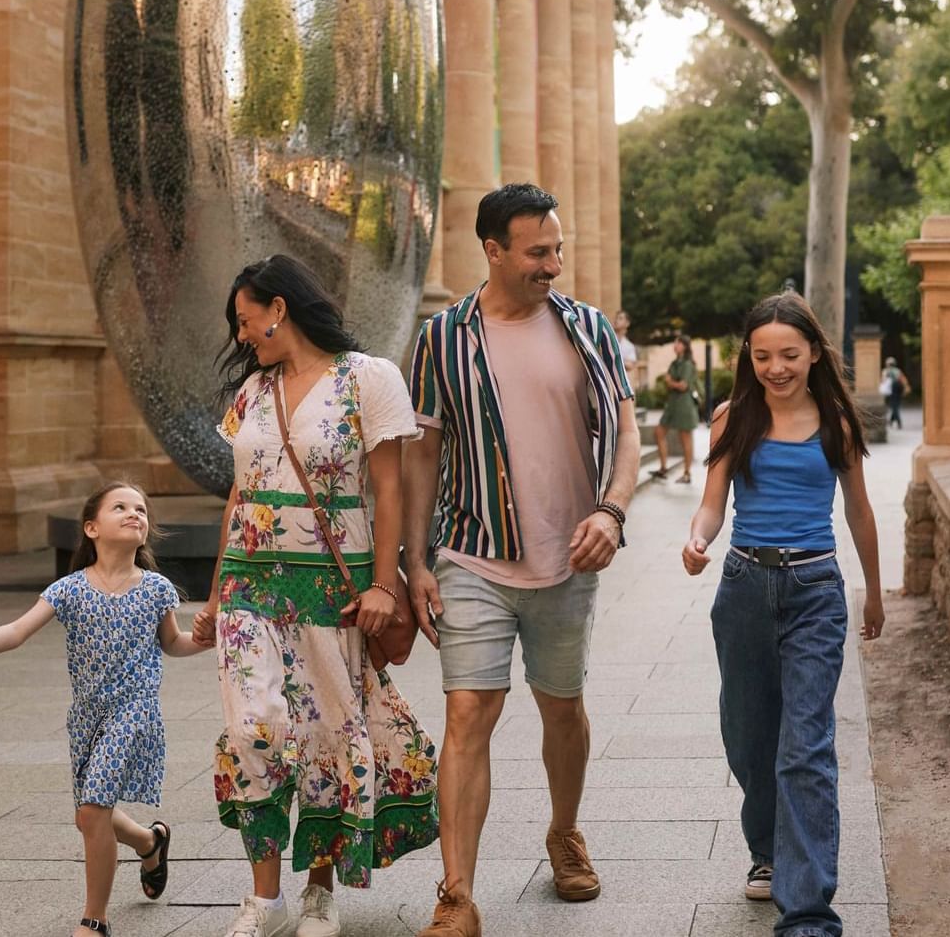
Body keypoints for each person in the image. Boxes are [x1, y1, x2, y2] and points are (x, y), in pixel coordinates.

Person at [403, 183, 640, 937]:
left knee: (561, 706)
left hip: (569, 557)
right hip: (472, 553)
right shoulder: (442, 339)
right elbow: (422, 455)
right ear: (494, 249)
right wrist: (413, 564)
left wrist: (611, 509)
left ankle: (564, 831)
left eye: (558, 249)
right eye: (538, 251)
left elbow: (626, 435)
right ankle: (457, 895)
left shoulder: (589, 329)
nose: (554, 264)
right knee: (469, 711)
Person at [192, 254, 439, 937]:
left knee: (327, 735)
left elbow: (388, 486)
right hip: (251, 582)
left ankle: (319, 893)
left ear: (280, 307)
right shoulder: (249, 396)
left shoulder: (369, 379)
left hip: (332, 586)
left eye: (248, 321)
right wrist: (215, 594)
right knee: (254, 733)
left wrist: (384, 583)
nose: (243, 336)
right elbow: (239, 496)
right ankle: (263, 898)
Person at [681, 292, 884, 937]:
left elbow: (858, 511)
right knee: (748, 735)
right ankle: (768, 851)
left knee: (805, 746)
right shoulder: (732, 418)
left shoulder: (836, 422)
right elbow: (713, 501)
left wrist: (873, 590)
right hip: (743, 587)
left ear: (814, 353)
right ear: (750, 356)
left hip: (815, 589)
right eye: (763, 355)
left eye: (789, 355)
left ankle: (808, 910)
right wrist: (698, 538)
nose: (776, 367)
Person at [0, 483, 204, 937]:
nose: (133, 514)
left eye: (140, 509)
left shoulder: (157, 589)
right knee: (88, 815)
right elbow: (19, 630)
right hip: (87, 714)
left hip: (134, 709)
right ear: (91, 527)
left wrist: (209, 639)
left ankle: (94, 919)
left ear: (145, 531)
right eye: (119, 507)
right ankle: (150, 841)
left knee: (96, 802)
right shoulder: (69, 589)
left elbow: (173, 644)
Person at [649, 334, 701, 484]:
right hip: (672, 404)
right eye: (675, 343)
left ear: (684, 346)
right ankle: (663, 468)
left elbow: (683, 386)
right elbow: (670, 382)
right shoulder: (674, 363)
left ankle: (687, 473)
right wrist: (672, 383)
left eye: (678, 343)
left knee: (685, 439)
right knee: (659, 432)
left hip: (684, 405)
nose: (675, 346)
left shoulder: (688, 364)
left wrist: (671, 382)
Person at [613, 310, 641, 391]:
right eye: (616, 318)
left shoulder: (629, 346)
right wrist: (623, 360)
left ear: (627, 323)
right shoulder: (607, 340)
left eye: (620, 318)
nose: (616, 320)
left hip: (621, 387)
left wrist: (614, 358)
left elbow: (630, 365)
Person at [881, 356, 909, 429]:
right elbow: (903, 380)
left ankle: (899, 422)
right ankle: (891, 420)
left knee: (894, 407)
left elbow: (883, 381)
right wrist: (905, 389)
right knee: (895, 406)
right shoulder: (898, 371)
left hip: (890, 390)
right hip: (898, 390)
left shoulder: (885, 371)